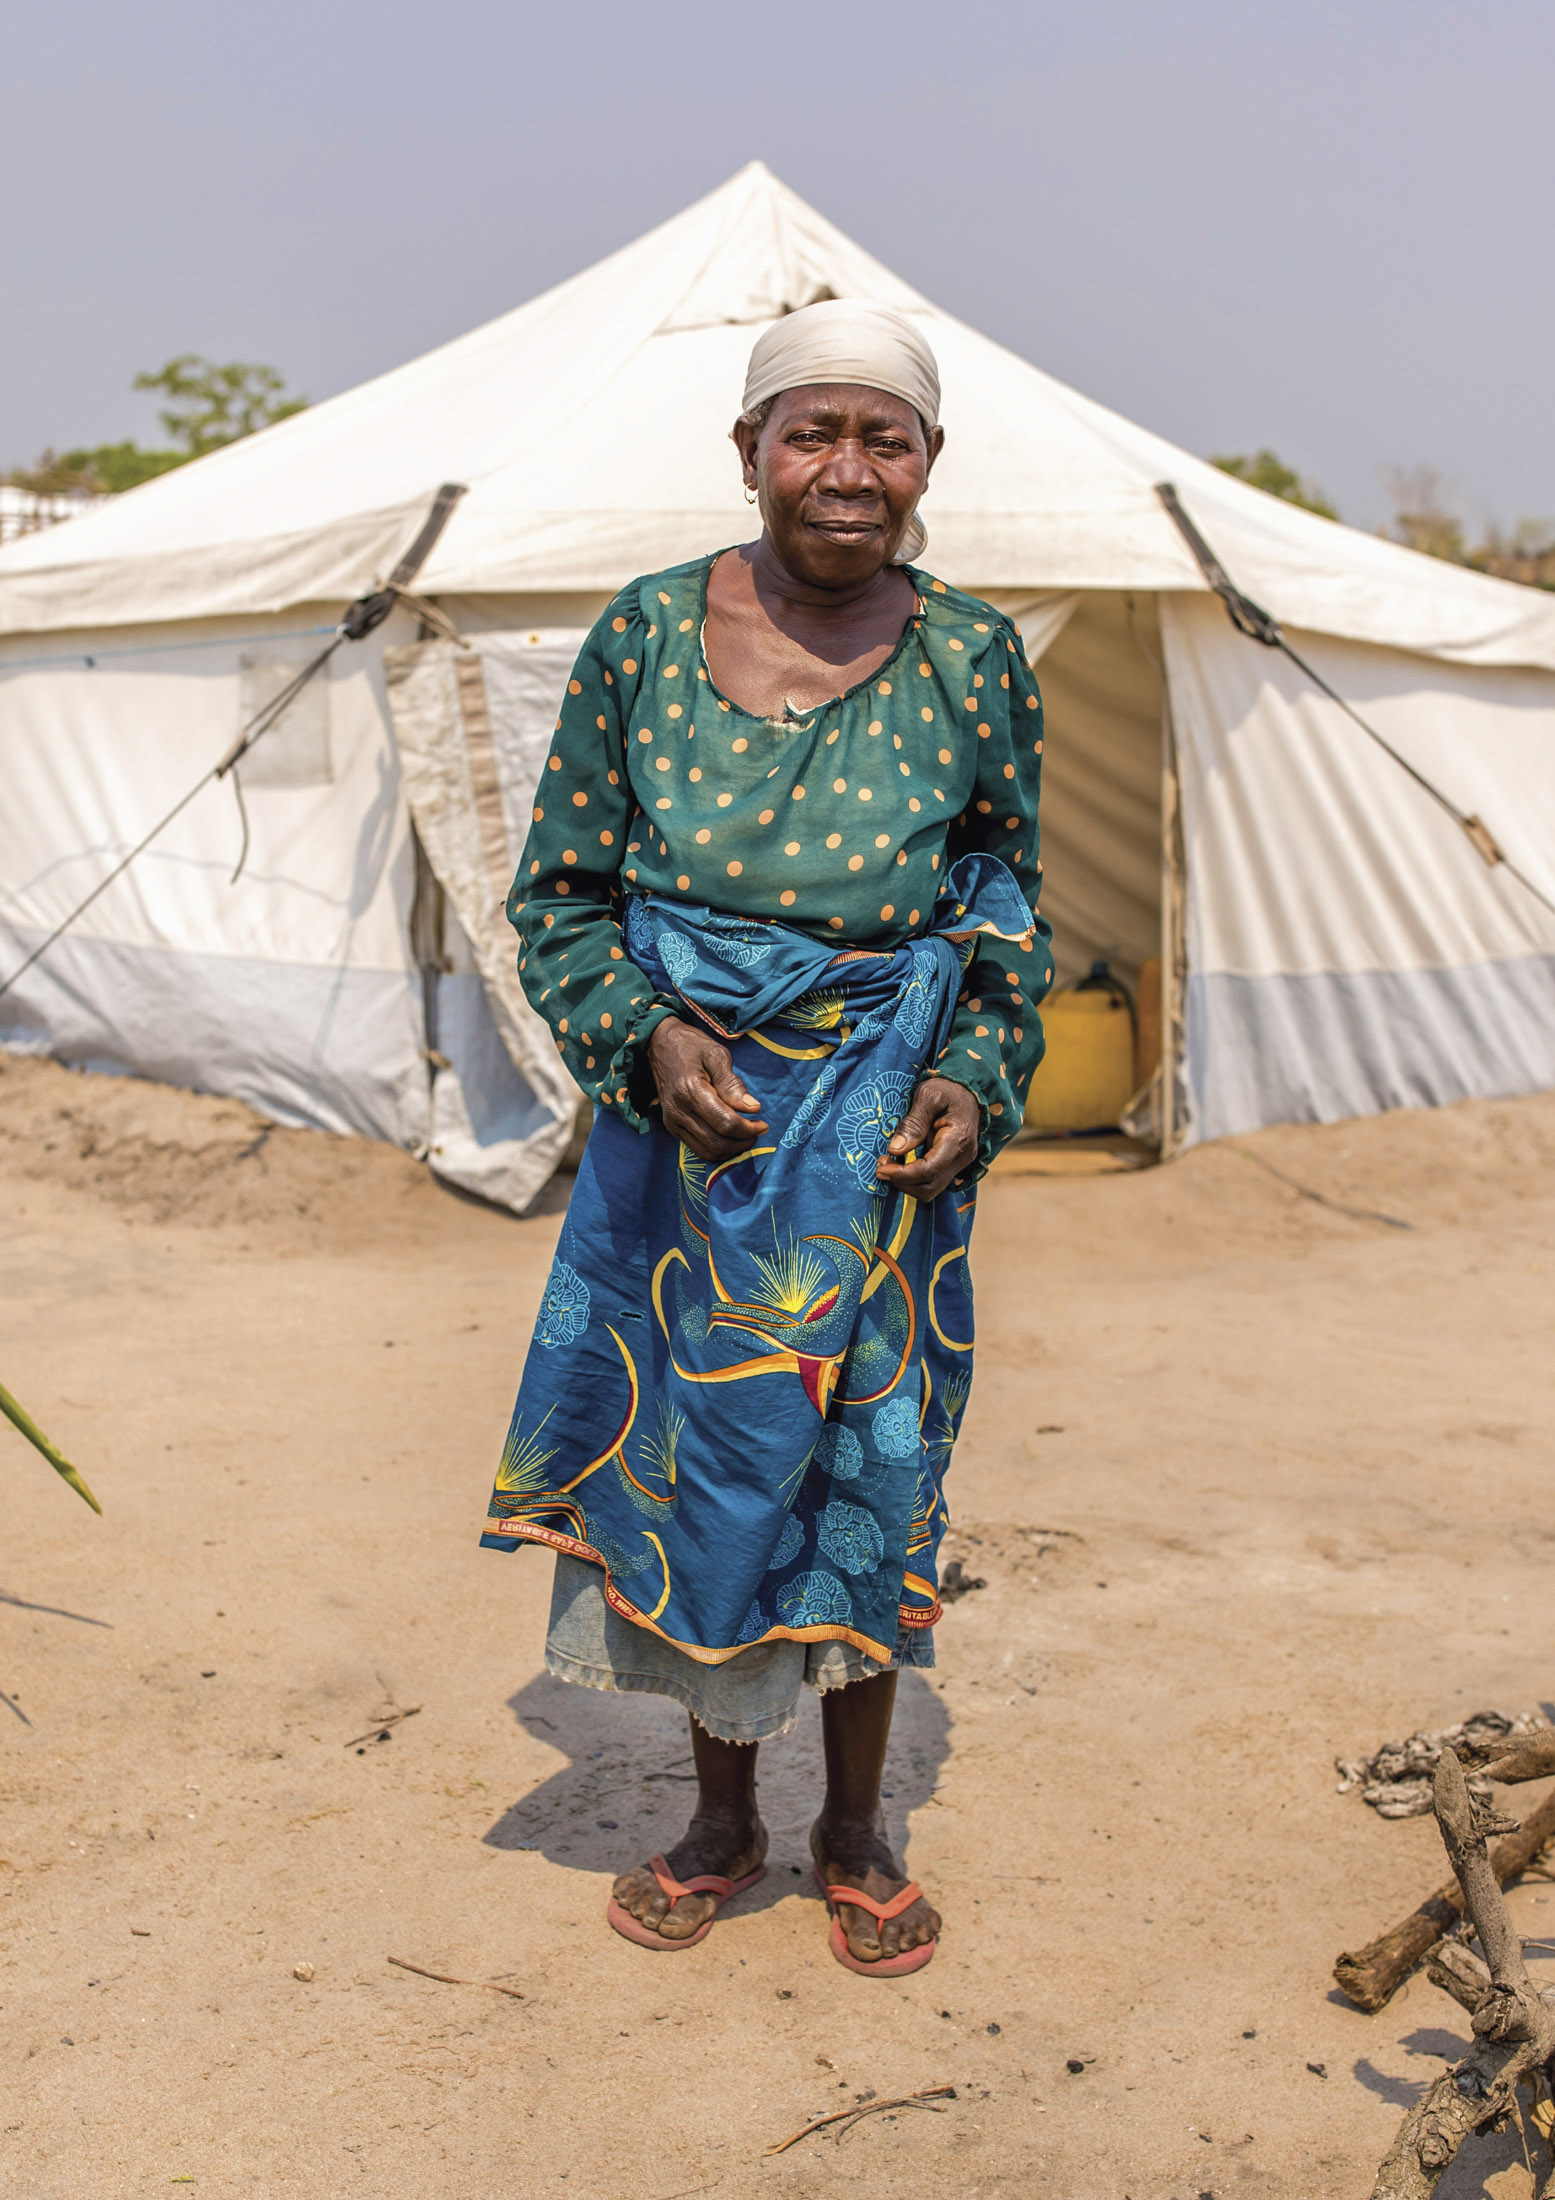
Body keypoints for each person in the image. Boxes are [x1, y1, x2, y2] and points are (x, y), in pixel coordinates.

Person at [481, 298, 1052, 1974]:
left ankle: (855, 1826)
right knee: (700, 1469)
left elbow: (1005, 902)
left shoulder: (972, 656)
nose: (848, 469)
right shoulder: (645, 638)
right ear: (750, 454)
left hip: (878, 1140)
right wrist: (647, 1036)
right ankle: (724, 1817)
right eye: (814, 432)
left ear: (927, 461)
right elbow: (563, 901)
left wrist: (979, 1074)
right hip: (691, 1139)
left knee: (870, 1468)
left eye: (886, 437)